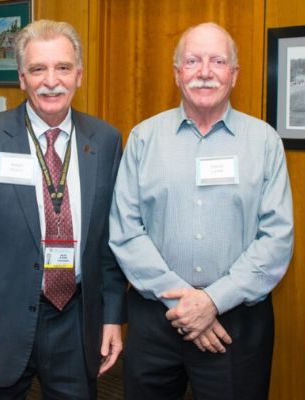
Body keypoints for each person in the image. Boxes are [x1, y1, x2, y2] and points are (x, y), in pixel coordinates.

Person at [109, 22, 293, 400]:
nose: (205, 72)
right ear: (177, 74)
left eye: (217, 61)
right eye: (192, 61)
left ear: (234, 74)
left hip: (236, 321)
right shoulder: (144, 138)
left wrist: (212, 301)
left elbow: (277, 238)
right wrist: (184, 304)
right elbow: (126, 230)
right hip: (155, 317)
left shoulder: (264, 142)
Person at [0, 20, 125, 399]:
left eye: (62, 68)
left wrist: (112, 316)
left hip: (77, 322)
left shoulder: (106, 141)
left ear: (79, 74)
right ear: (22, 78)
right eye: (38, 69)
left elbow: (110, 242)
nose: (51, 81)